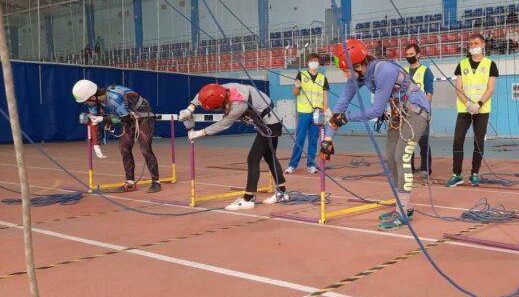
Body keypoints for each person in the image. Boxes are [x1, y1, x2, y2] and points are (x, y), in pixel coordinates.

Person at [322, 39, 431, 231]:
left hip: (416, 112)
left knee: (401, 157)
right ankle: (403, 206)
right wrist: (328, 138)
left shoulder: (384, 71)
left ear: (357, 65)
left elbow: (375, 110)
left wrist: (346, 118)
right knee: (390, 157)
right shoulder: (357, 78)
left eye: (346, 70)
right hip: (399, 114)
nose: (345, 75)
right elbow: (340, 108)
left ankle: (403, 211)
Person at [178, 82, 289, 210]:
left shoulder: (238, 105)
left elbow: (223, 124)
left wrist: (199, 133)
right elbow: (203, 95)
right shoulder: (223, 89)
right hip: (266, 122)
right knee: (270, 158)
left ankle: (248, 198)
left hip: (271, 124)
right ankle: (282, 192)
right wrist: (190, 108)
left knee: (253, 158)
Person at [72, 80, 161, 193]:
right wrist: (96, 145)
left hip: (143, 116)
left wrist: (105, 119)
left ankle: (156, 182)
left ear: (92, 96)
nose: (85, 104)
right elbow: (95, 122)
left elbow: (125, 119)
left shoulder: (114, 97)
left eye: (85, 101)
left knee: (145, 148)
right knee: (124, 147)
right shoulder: (94, 103)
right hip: (127, 117)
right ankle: (130, 183)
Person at [446, 33, 498, 188]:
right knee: (458, 140)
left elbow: (490, 89)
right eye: (471, 44)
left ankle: (475, 173)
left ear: (483, 45)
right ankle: (457, 174)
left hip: (482, 110)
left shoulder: (490, 64)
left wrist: (479, 104)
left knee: (479, 142)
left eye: (476, 43)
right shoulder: (462, 64)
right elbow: (458, 87)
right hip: (464, 109)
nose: (473, 46)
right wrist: (468, 103)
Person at [286, 53, 329, 174]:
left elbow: (325, 96)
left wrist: (326, 110)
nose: (314, 62)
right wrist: (297, 86)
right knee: (299, 139)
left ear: (318, 63)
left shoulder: (322, 78)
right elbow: (295, 92)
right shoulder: (301, 74)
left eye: (316, 60)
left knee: (313, 140)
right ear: (307, 63)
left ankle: (311, 164)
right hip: (304, 112)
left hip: (318, 113)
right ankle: (292, 165)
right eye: (312, 60)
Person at [403, 43, 435, 177]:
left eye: (411, 54)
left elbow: (429, 92)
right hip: (406, 112)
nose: (409, 57)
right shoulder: (403, 71)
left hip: (421, 112)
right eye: (407, 55)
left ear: (418, 54)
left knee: (423, 140)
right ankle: (408, 168)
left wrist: (425, 112)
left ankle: (425, 169)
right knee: (407, 141)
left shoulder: (426, 71)